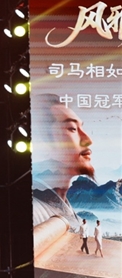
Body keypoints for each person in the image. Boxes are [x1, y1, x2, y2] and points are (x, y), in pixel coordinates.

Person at [32, 93, 94, 232]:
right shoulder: (31, 211)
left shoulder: (66, 209)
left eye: (81, 128)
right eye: (72, 128)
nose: (88, 140)